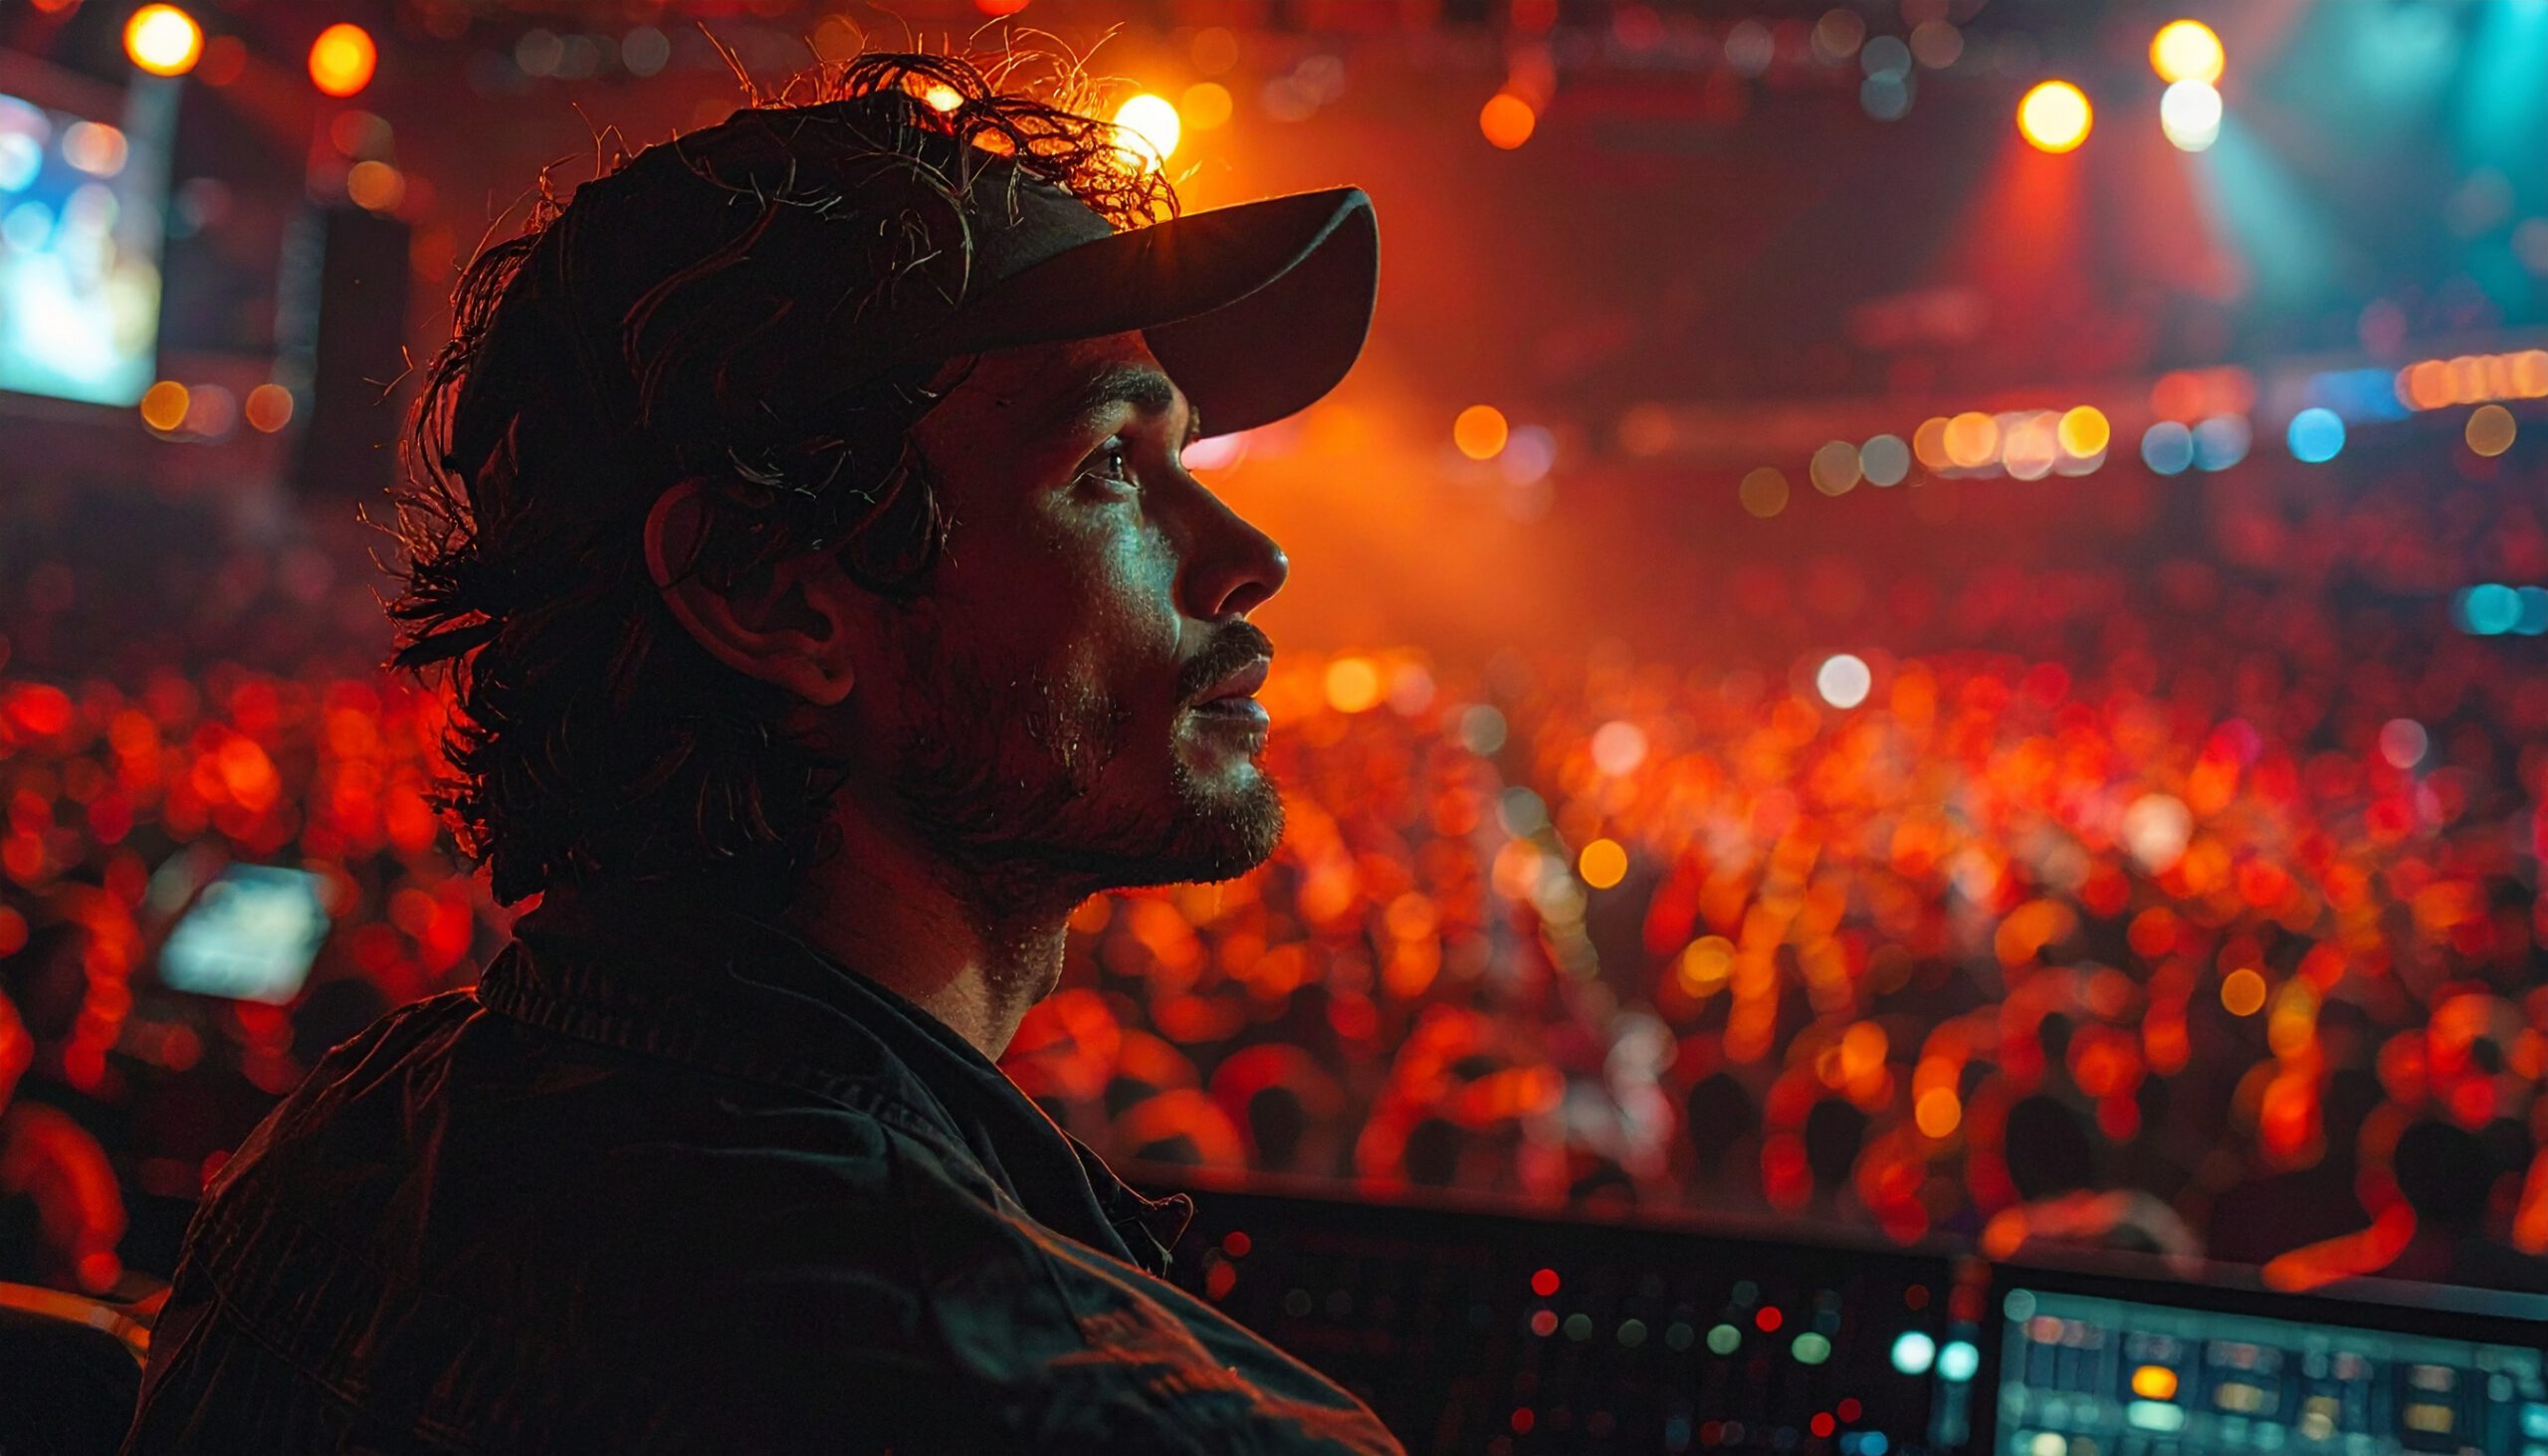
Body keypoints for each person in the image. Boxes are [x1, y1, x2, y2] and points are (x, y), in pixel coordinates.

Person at [125, 51, 1396, 1453]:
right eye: (1107, 464)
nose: (1250, 556)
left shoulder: (316, 1169)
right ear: (771, 596)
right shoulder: (1105, 1417)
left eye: (1183, 460)